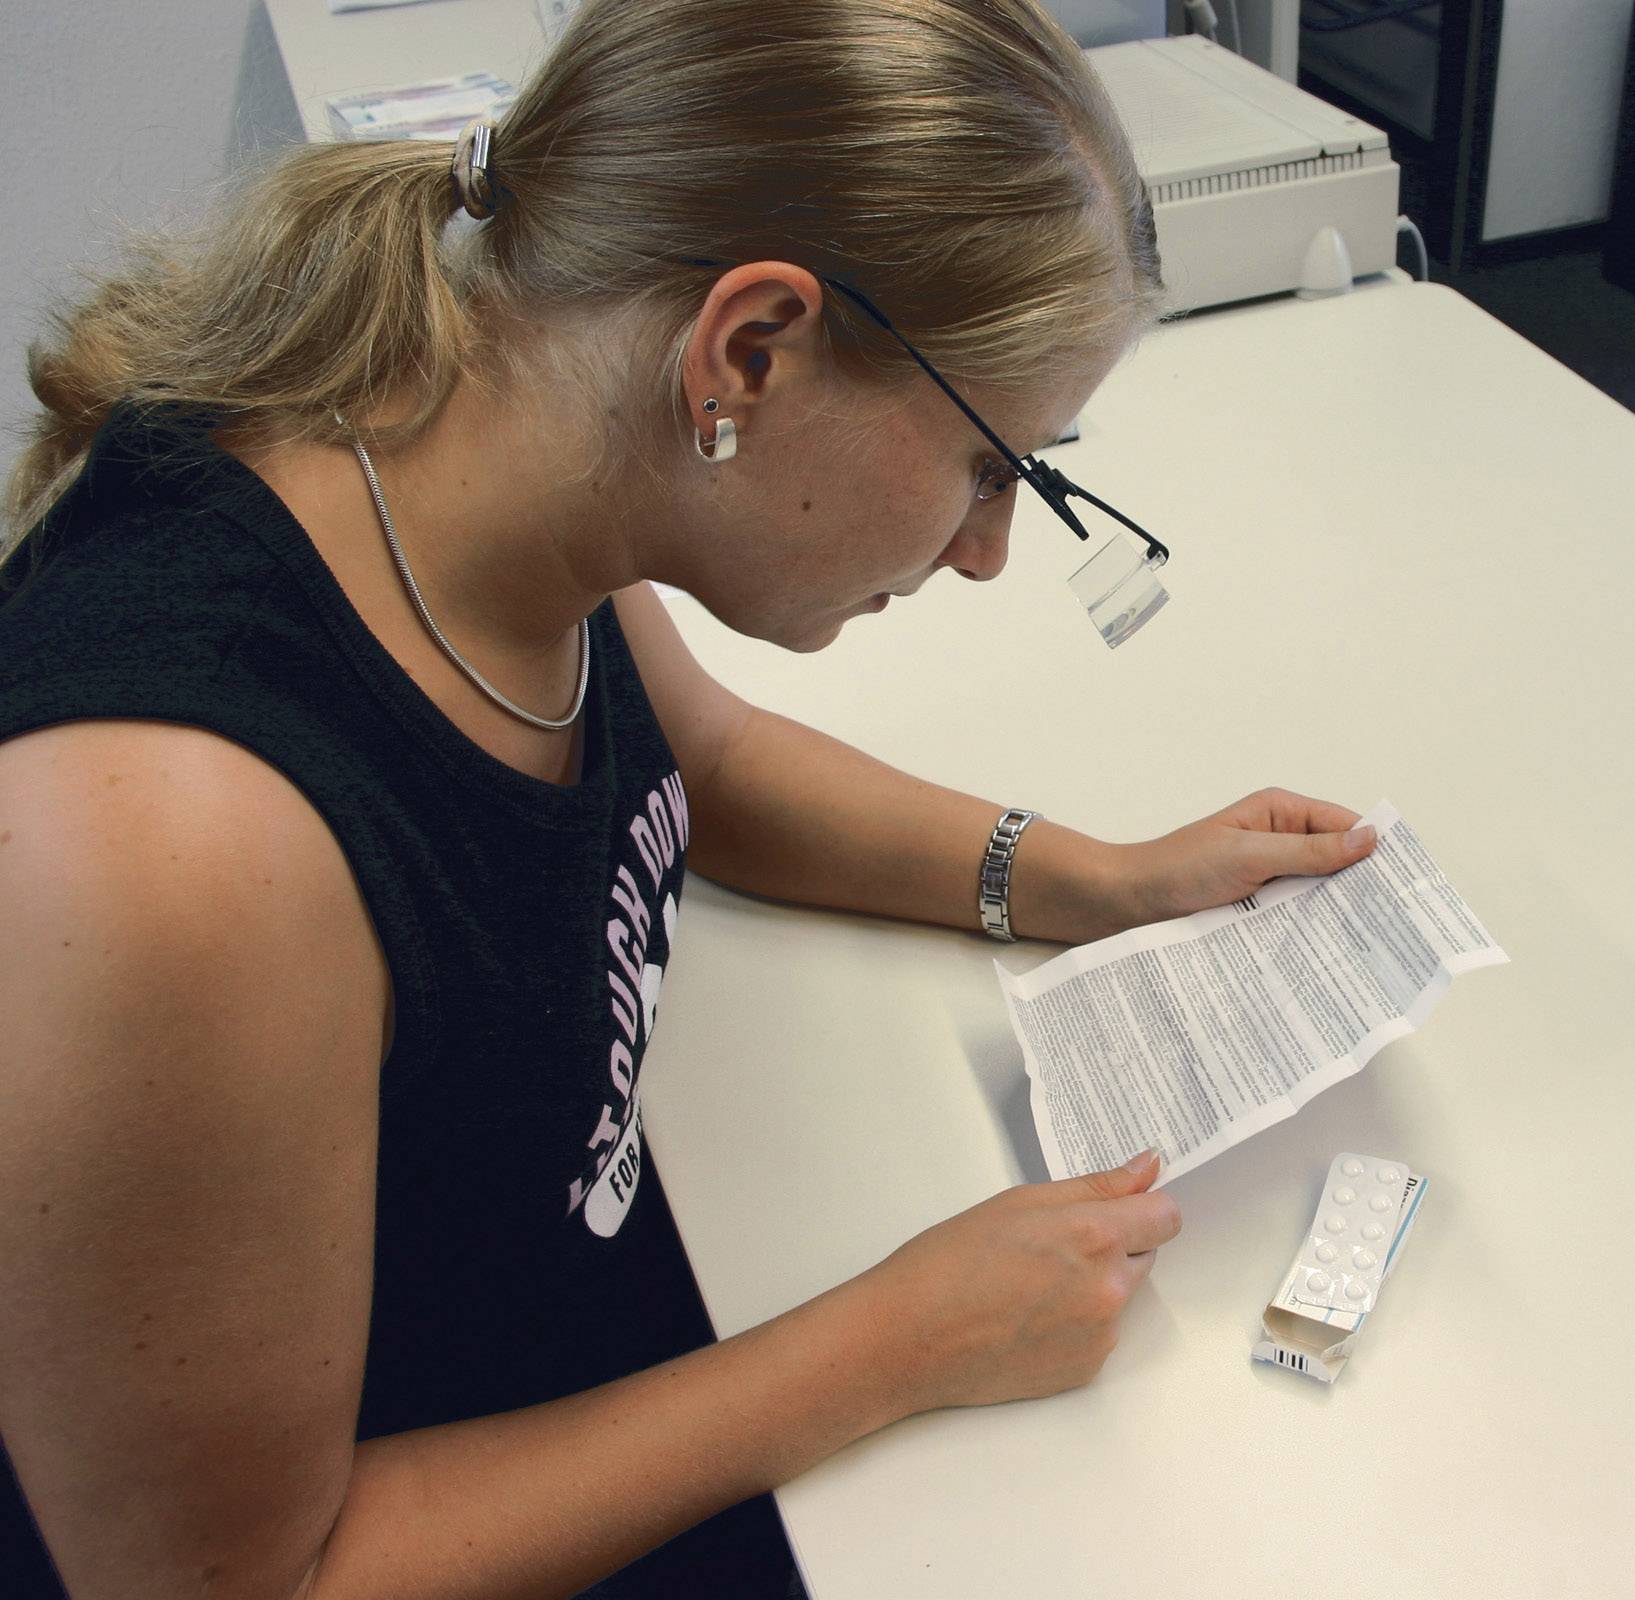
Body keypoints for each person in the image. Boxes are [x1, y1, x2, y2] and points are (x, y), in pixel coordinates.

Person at [0, 1, 1378, 1593]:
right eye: (990, 465)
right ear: (750, 351)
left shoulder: (503, 447)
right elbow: (239, 1582)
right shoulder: (176, 844)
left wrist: (1097, 878)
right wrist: (896, 1340)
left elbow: (705, 763)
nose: (987, 551)